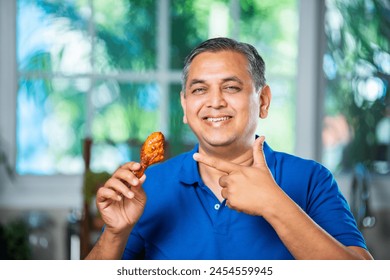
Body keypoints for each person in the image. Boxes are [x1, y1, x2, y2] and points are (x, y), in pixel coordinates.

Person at [85, 37, 373, 260]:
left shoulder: (311, 179)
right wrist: (114, 233)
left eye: (231, 87)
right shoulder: (148, 186)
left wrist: (274, 203)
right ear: (185, 106)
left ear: (263, 101)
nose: (215, 102)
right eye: (199, 90)